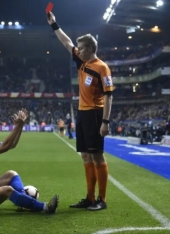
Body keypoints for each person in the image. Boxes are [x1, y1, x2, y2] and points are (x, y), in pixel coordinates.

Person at [47, 12, 113, 211]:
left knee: (97, 156)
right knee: (85, 156)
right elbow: (66, 42)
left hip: (95, 113)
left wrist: (105, 121)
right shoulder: (81, 62)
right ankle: (90, 198)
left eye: (82, 48)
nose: (78, 50)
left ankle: (102, 199)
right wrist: (54, 24)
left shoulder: (102, 68)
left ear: (91, 49)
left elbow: (109, 95)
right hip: (82, 113)